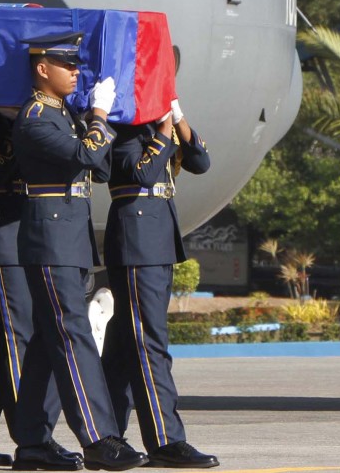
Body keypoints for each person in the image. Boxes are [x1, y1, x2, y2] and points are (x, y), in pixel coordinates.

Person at [11, 32, 147, 472]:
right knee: (72, 334)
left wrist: (93, 121)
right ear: (41, 69)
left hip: (67, 238)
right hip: (51, 239)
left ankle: (32, 442)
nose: (75, 71)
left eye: (75, 64)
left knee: (48, 342)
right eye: (65, 63)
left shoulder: (64, 116)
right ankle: (98, 438)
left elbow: (100, 164)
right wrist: (100, 116)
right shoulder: (36, 117)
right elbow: (87, 155)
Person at [100, 98, 218, 468]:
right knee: (150, 342)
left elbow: (200, 162)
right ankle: (165, 440)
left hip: (157, 244)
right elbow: (143, 174)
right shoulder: (121, 131)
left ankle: (108, 436)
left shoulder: (159, 129)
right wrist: (165, 131)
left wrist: (179, 119)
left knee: (123, 346)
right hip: (137, 244)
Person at [0, 109, 81, 471]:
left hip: (20, 239)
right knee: (18, 342)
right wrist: (25, 128)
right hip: (2, 240)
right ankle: (33, 438)